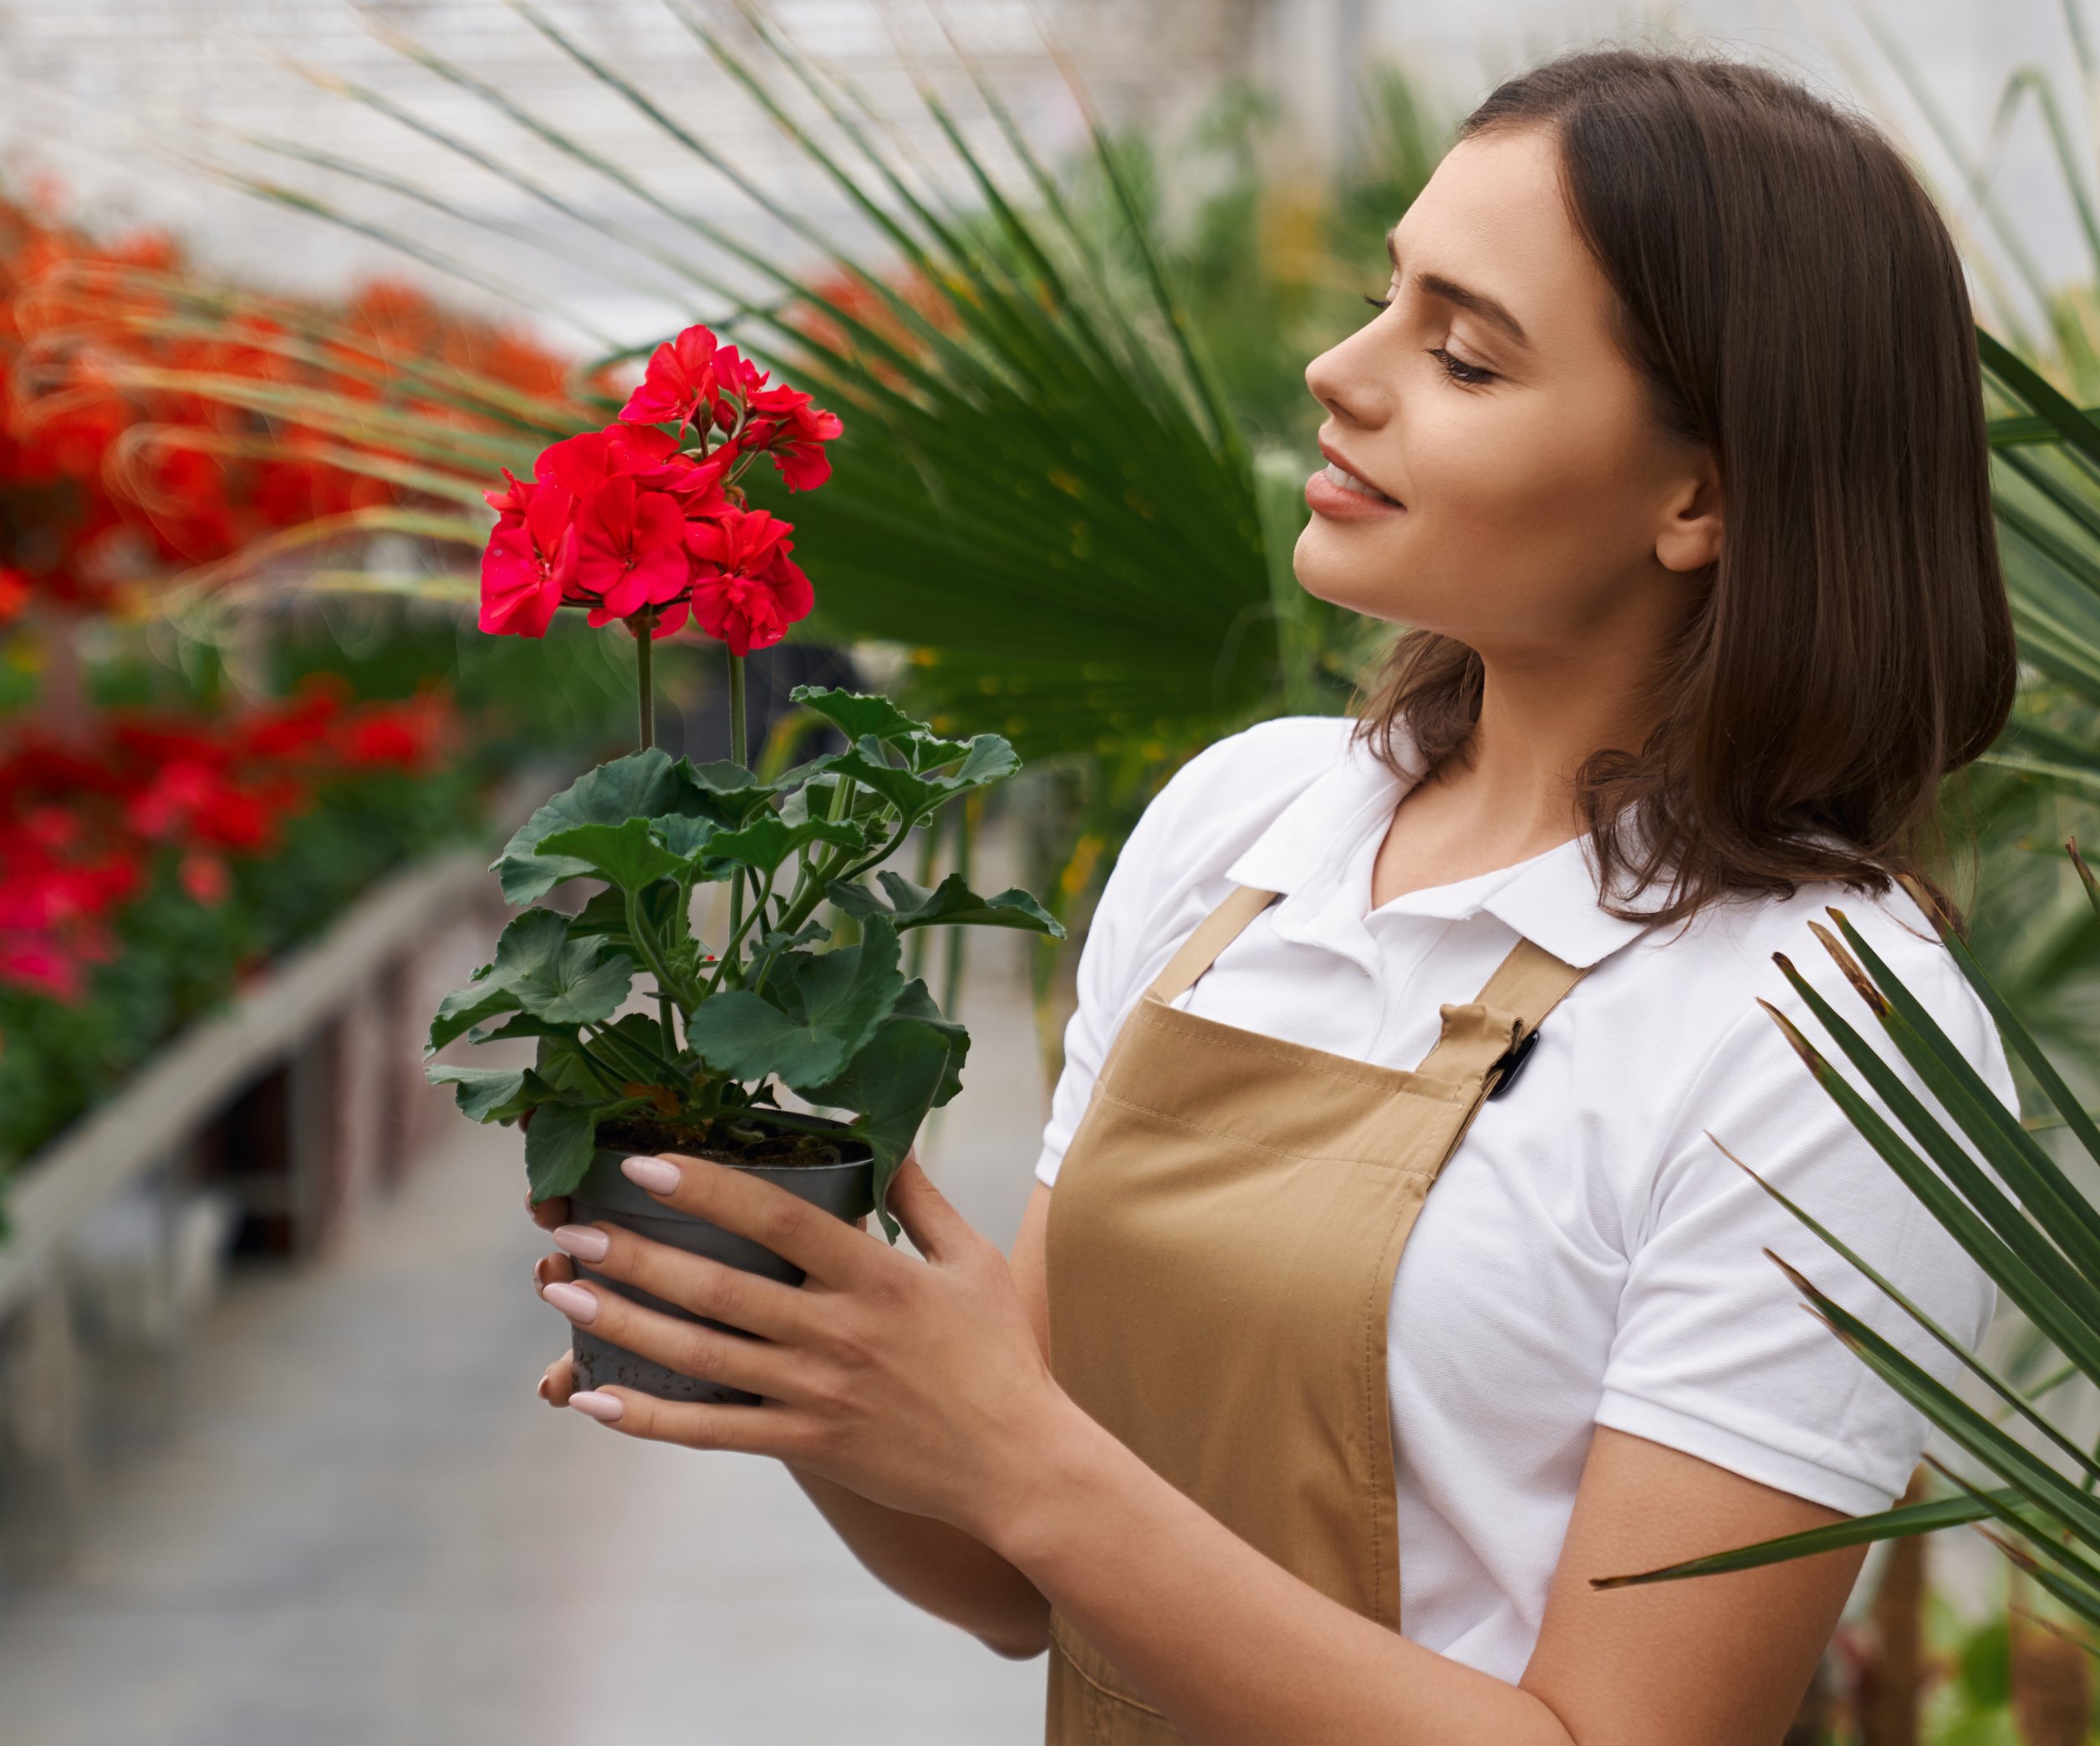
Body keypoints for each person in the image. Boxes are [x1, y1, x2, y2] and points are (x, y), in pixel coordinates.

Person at [523, 45, 2020, 1745]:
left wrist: (1018, 1458)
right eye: (1382, 301)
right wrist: (776, 1336)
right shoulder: (1251, 823)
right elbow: (1017, 1580)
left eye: (1461, 353)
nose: (1338, 369)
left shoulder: (1818, 1035)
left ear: (1701, 495)